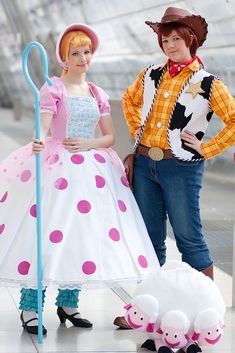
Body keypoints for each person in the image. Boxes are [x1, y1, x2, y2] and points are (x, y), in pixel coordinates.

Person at [0, 23, 160, 335]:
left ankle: (68, 303)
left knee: (80, 235)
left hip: (92, 171)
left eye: (86, 52)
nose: (83, 58)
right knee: (47, 234)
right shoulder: (53, 88)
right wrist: (38, 140)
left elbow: (110, 136)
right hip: (57, 170)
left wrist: (88, 144)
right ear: (63, 57)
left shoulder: (97, 92)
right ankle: (31, 306)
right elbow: (43, 128)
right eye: (75, 52)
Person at [113, 6, 235, 336]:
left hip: (181, 167)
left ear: (190, 40)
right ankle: (144, 309)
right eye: (165, 39)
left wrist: (206, 148)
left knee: (188, 238)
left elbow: (234, 121)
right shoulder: (151, 73)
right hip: (145, 164)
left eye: (176, 38)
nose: (169, 45)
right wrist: (138, 129)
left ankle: (209, 311)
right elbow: (129, 100)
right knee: (149, 240)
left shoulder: (207, 83)